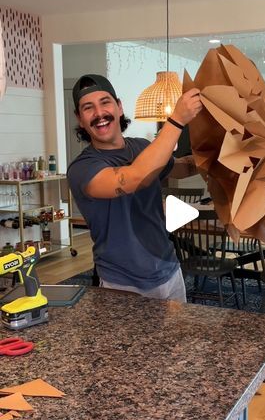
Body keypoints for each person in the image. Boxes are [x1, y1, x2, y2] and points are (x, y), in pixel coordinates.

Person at [67, 73, 202, 302]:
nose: (99, 114)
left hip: (169, 270)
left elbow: (181, 168)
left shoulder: (141, 147)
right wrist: (177, 120)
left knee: (176, 338)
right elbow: (136, 177)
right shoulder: (82, 168)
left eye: (105, 102)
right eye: (88, 108)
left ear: (119, 107)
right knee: (133, 340)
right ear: (80, 119)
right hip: (122, 283)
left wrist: (221, 156)